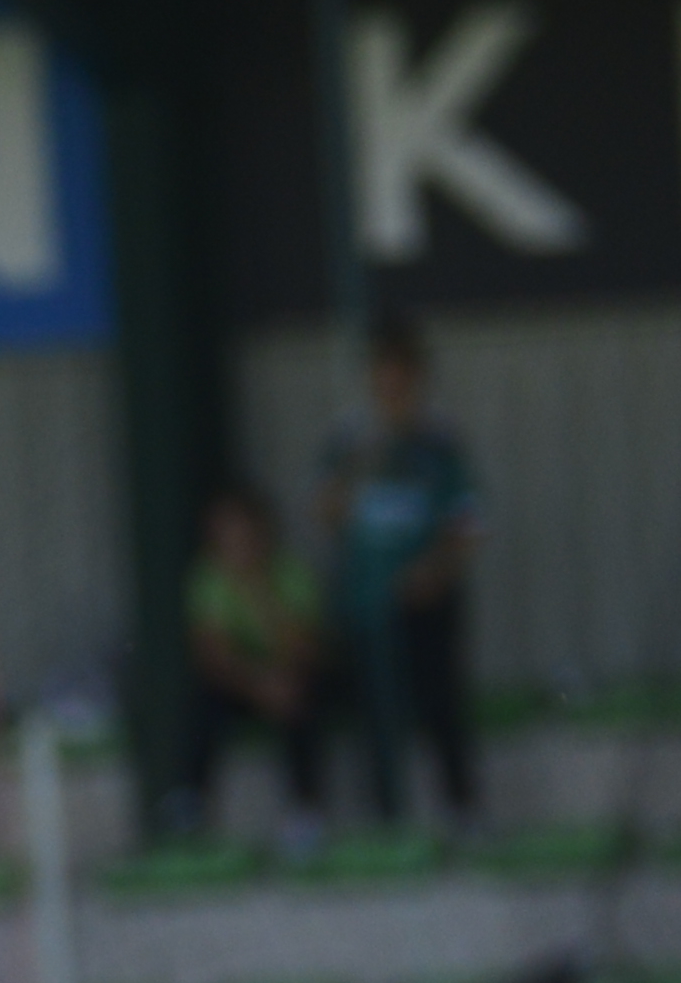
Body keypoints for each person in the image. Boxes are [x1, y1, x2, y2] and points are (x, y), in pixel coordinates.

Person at [316, 313, 481, 834]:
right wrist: (367, 460)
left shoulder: (440, 439)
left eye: (402, 377)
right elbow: (325, 512)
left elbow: (470, 521)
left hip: (426, 596)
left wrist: (436, 569)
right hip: (367, 600)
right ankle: (385, 819)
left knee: (441, 704)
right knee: (373, 711)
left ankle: (461, 809)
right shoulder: (349, 438)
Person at [179, 479, 330, 849]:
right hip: (246, 684)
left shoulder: (290, 574)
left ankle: (305, 811)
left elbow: (304, 651)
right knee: (202, 702)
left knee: (300, 701)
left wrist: (258, 589)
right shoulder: (208, 578)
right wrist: (259, 684)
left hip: (289, 677)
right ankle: (191, 807)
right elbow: (213, 655)